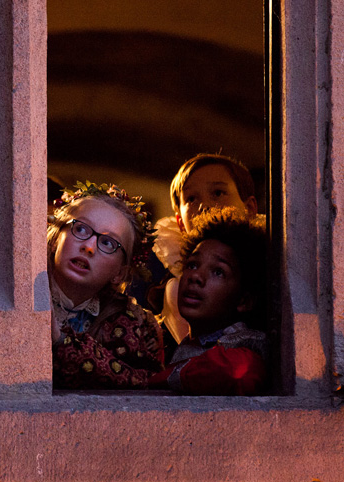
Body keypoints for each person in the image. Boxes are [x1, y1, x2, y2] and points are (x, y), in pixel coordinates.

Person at [49, 182, 164, 389]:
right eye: (81, 229)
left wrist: (60, 341)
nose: (89, 247)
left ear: (119, 273)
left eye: (108, 243)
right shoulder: (11, 295)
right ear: (56, 238)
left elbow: (148, 382)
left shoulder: (135, 324)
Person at [148, 153, 260, 359]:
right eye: (191, 199)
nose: (204, 206)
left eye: (218, 193)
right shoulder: (180, 289)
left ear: (250, 207)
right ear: (180, 221)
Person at [149, 207, 268, 395]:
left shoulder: (242, 344)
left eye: (218, 272)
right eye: (192, 264)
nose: (196, 276)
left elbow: (240, 371)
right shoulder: (182, 344)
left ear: (244, 300)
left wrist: (159, 379)